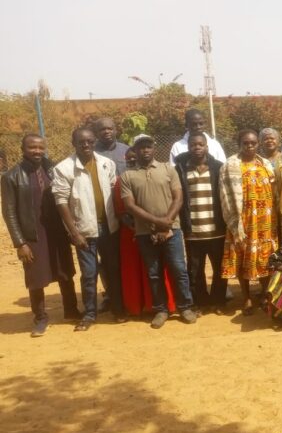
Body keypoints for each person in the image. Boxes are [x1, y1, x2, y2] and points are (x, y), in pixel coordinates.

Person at [1, 134, 79, 336]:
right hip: (32, 235)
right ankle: (41, 318)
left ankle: (71, 310)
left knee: (65, 271)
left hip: (57, 232)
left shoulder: (53, 170)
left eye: (40, 147)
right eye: (32, 147)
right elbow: (9, 212)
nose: (37, 151)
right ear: (23, 149)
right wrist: (20, 243)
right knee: (36, 277)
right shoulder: (11, 177)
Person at [120, 134, 197, 329]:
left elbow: (178, 198)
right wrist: (158, 223)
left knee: (179, 270)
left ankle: (185, 307)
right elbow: (130, 206)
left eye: (148, 146)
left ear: (154, 149)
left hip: (173, 230)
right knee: (154, 273)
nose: (145, 150)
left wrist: (167, 224)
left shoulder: (167, 169)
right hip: (145, 233)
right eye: (141, 147)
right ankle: (161, 309)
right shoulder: (127, 176)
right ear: (134, 151)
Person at [53, 127, 124, 330]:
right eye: (81, 142)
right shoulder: (64, 168)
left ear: (94, 142)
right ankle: (90, 314)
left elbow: (114, 192)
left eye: (90, 141)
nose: (86, 145)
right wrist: (74, 233)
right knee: (89, 273)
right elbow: (61, 202)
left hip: (109, 227)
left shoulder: (106, 163)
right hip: (84, 230)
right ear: (73, 143)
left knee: (113, 270)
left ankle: (118, 309)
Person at [220, 129, 278, 316]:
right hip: (243, 221)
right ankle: (246, 297)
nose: (250, 146)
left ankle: (265, 293)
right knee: (242, 258)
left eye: (253, 143)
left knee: (265, 257)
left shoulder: (266, 164)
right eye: (246, 143)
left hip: (265, 220)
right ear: (240, 144)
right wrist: (234, 221)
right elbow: (225, 195)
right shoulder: (230, 165)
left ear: (258, 144)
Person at [114, 147, 177, 316]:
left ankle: (164, 305)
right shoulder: (122, 180)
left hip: (160, 230)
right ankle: (137, 305)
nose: (133, 162)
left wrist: (159, 226)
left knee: (161, 270)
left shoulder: (162, 172)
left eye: (135, 159)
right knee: (137, 272)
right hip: (133, 234)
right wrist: (136, 227)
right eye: (129, 160)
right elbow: (122, 211)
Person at [175, 133, 227, 314]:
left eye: (200, 145)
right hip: (193, 231)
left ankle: (218, 301)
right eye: (193, 145)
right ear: (188, 147)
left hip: (217, 230)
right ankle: (201, 302)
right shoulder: (180, 169)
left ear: (207, 147)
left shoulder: (219, 168)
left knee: (220, 268)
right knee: (195, 270)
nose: (197, 148)